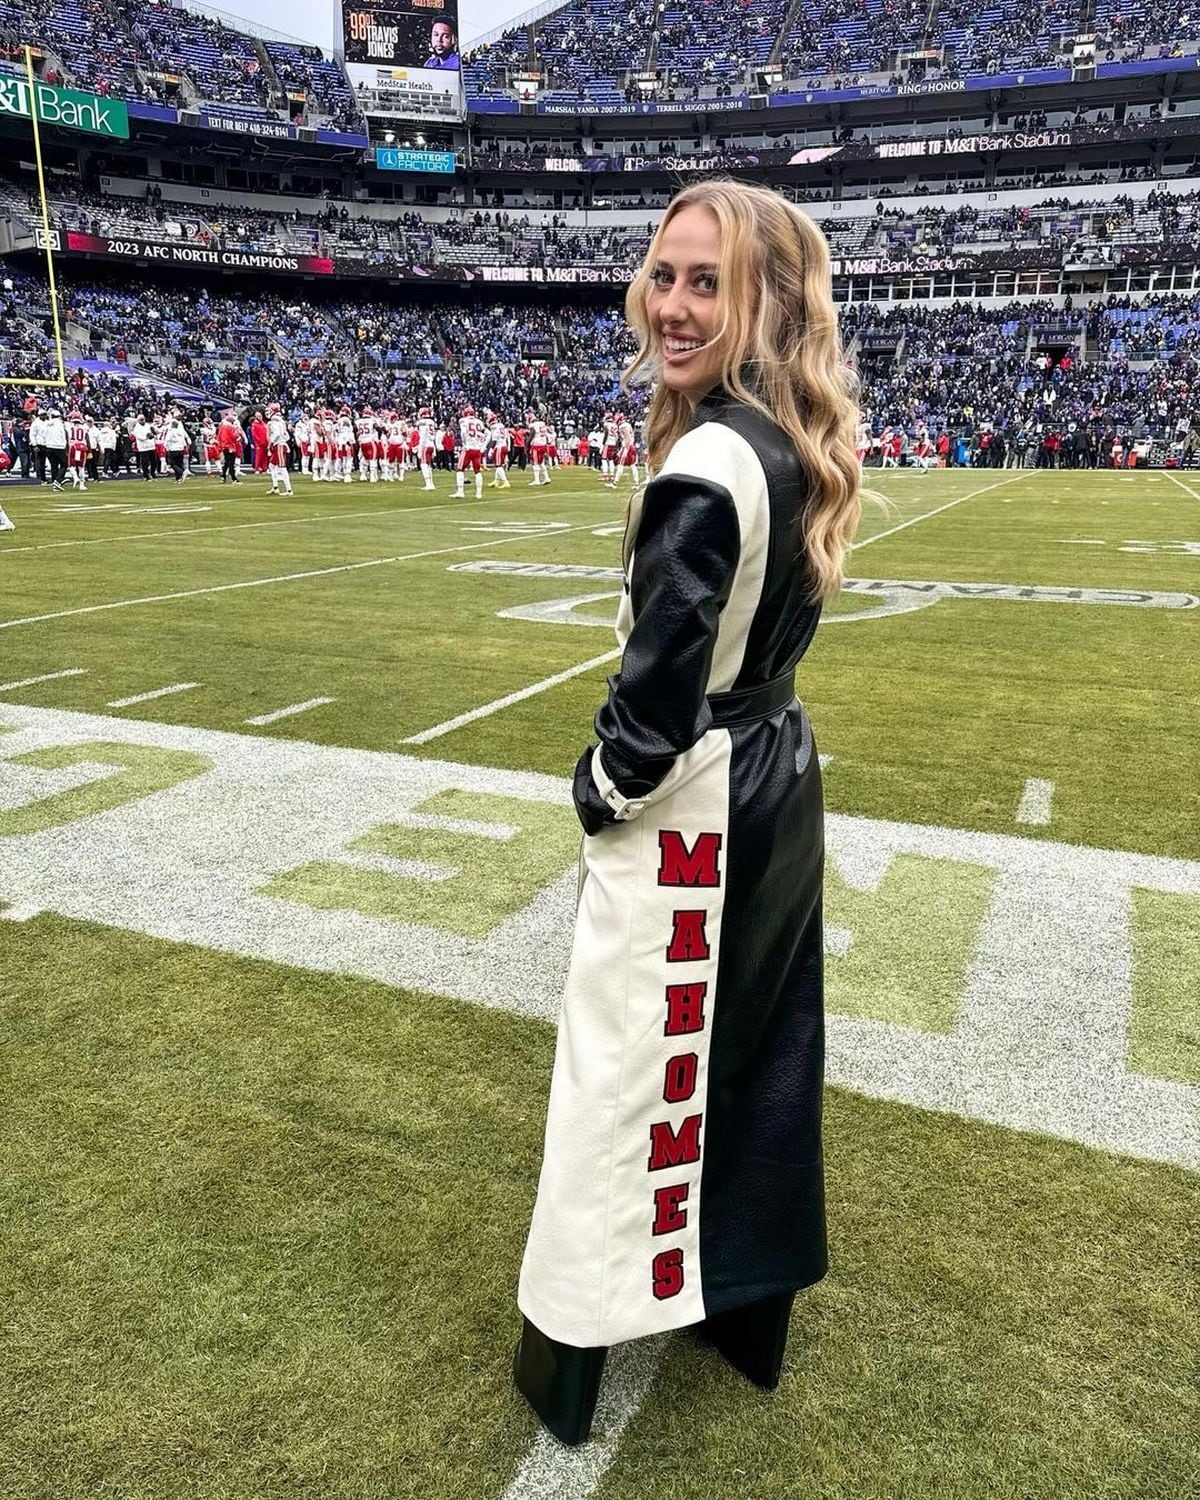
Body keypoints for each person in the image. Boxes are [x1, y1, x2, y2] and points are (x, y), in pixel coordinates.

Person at [515, 179, 861, 1446]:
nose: (669, 302)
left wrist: (598, 788)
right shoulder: (782, 434)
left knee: (620, 1074)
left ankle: (565, 1346)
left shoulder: (712, 458)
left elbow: (655, 697)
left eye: (705, 281)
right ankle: (742, 1302)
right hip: (779, 772)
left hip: (700, 800)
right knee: (762, 1051)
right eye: (663, 273)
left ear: (761, 302)